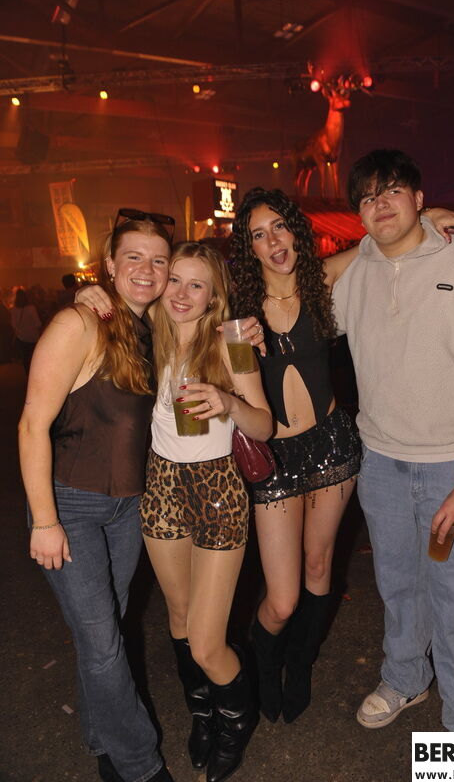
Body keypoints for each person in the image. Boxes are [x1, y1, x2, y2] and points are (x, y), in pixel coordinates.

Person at [229, 187, 454, 725]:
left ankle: (301, 664)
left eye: (280, 226)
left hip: (332, 447)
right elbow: (179, 302)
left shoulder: (322, 280)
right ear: (249, 248)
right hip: (275, 458)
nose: (273, 241)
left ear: (296, 230)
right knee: (282, 600)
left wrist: (428, 213)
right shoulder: (237, 308)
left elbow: (378, 237)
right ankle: (264, 664)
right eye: (258, 234)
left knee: (320, 567)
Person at [333, 148, 454, 731]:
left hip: (452, 467)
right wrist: (366, 245)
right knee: (399, 587)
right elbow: (291, 290)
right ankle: (406, 678)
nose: (380, 204)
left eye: (393, 191)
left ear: (418, 198)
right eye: (368, 197)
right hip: (382, 464)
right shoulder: (357, 273)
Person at [18, 210, 177, 782]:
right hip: (72, 507)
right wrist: (45, 521)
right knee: (104, 642)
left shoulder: (151, 326)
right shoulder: (79, 324)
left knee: (104, 631)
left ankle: (99, 735)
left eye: (158, 260)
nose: (146, 269)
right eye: (133, 257)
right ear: (109, 263)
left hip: (127, 508)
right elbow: (32, 425)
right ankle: (139, 765)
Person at [140, 241, 271, 782]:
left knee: (207, 639)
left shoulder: (232, 341)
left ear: (215, 295)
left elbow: (265, 425)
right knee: (178, 615)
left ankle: (236, 723)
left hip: (217, 488)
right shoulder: (149, 326)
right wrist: (90, 295)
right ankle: (203, 714)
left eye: (196, 284)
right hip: (162, 483)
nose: (181, 293)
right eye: (175, 280)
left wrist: (230, 403)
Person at [10, 286, 41, 374]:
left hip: (22, 337)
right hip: (33, 337)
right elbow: (38, 323)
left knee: (25, 358)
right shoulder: (31, 308)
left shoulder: (13, 310)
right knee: (34, 358)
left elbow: (13, 325)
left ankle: (27, 374)